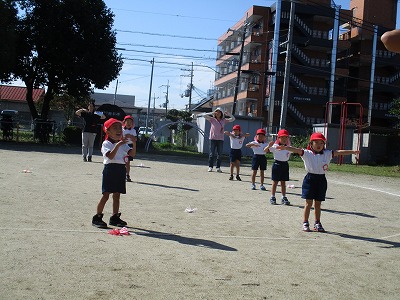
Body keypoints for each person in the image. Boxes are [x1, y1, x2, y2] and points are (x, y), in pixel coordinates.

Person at [276, 132, 360, 232]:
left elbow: (339, 152)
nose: (319, 145)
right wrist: (285, 148)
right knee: (308, 203)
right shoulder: (307, 153)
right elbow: (296, 150)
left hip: (321, 180)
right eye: (316, 142)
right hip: (310, 179)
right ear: (311, 144)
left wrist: (352, 151)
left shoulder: (327, 153)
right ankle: (305, 222)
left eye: (321, 143)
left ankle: (317, 222)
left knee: (318, 204)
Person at [92, 118, 136, 228]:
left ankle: (115, 217)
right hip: (110, 170)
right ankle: (97, 217)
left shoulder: (123, 144)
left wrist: (134, 143)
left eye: (119, 128)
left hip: (120, 169)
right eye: (114, 128)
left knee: (117, 195)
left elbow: (132, 154)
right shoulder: (106, 143)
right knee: (106, 195)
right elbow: (110, 156)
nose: (118, 130)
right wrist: (118, 145)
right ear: (108, 131)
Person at [200, 107, 235, 172]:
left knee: (220, 154)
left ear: (221, 113)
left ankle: (218, 167)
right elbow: (204, 115)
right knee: (211, 153)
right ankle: (210, 166)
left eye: (219, 112)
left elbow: (233, 119)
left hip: (220, 139)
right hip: (212, 138)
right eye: (217, 112)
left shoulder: (224, 120)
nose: (218, 113)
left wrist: (229, 114)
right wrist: (212, 113)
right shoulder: (212, 119)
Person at [264, 129, 292, 205]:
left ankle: (283, 197)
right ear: (278, 138)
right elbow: (265, 151)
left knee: (283, 182)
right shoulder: (275, 146)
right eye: (282, 138)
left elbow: (296, 151)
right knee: (275, 182)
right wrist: (269, 146)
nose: (284, 139)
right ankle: (272, 196)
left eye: (286, 138)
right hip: (277, 164)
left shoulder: (288, 147)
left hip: (285, 165)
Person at [122, 115, 137, 182]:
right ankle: (121, 174)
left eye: (130, 122)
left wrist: (131, 136)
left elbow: (135, 139)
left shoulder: (133, 131)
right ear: (124, 122)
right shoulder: (121, 129)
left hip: (129, 147)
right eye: (127, 121)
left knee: (127, 162)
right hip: (122, 146)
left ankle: (127, 175)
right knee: (121, 162)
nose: (128, 123)